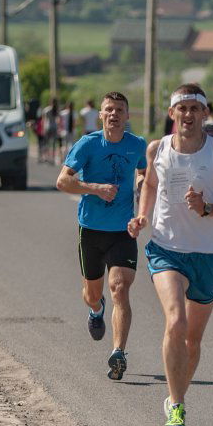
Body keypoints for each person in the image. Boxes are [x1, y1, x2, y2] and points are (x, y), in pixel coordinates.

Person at [129, 83, 213, 426]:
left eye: (196, 108)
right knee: (175, 322)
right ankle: (176, 406)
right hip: (166, 249)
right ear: (172, 113)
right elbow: (149, 185)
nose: (189, 115)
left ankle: (176, 394)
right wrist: (142, 216)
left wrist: (208, 207)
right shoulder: (157, 149)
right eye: (183, 108)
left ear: (205, 114)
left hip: (207, 255)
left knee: (192, 341)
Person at [55, 92, 148, 382]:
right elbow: (62, 181)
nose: (114, 114)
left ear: (127, 115)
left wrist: (141, 203)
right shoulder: (88, 144)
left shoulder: (138, 145)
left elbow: (145, 174)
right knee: (93, 294)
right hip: (91, 229)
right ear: (101, 115)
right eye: (109, 109)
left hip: (123, 230)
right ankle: (96, 310)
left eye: (120, 109)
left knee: (120, 288)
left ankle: (118, 352)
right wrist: (95, 187)